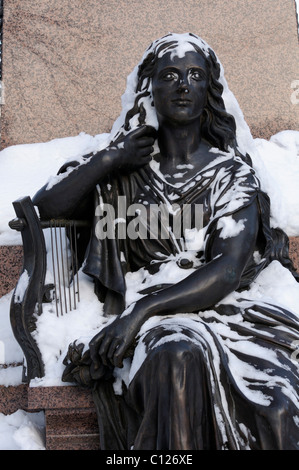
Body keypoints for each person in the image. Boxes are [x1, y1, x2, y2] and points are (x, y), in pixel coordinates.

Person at [33, 33, 299, 450]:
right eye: (169, 75)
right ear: (149, 89)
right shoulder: (125, 171)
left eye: (195, 75)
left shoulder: (230, 176)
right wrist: (109, 160)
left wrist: (141, 311)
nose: (182, 85)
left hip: (221, 311)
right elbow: (44, 209)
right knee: (176, 355)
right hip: (153, 324)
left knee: (278, 402)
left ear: (208, 91)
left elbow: (227, 269)